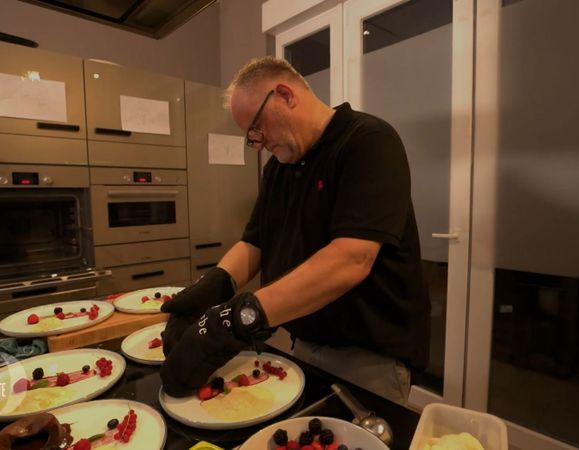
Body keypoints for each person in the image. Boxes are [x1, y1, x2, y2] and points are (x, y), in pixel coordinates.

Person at [160, 56, 429, 404]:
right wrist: (213, 286)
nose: (258, 142)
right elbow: (255, 242)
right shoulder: (279, 168)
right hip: (300, 341)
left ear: (285, 95)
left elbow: (351, 259)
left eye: (257, 128)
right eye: (250, 137)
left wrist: (238, 318)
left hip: (367, 355)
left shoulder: (368, 142)